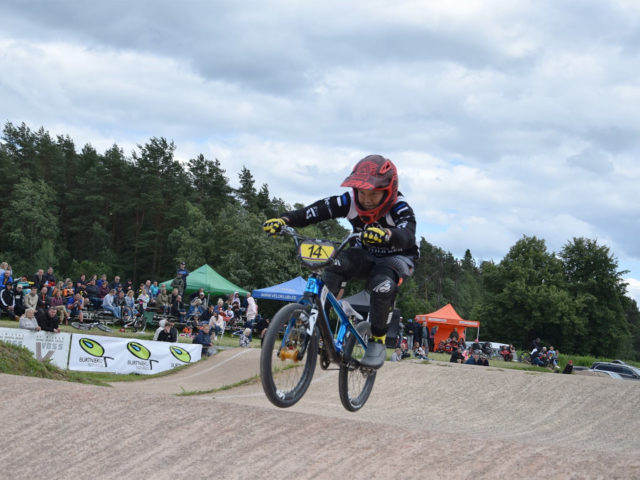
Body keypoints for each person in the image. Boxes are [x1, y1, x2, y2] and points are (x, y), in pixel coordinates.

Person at [264, 157, 418, 369]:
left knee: (382, 285)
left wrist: (387, 234)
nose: (367, 199)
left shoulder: (399, 207)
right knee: (335, 264)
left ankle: (377, 340)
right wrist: (285, 220)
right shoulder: (350, 201)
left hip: (397, 258)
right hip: (364, 254)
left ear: (388, 191)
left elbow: (408, 234)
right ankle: (315, 323)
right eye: (362, 193)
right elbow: (316, 211)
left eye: (373, 194)